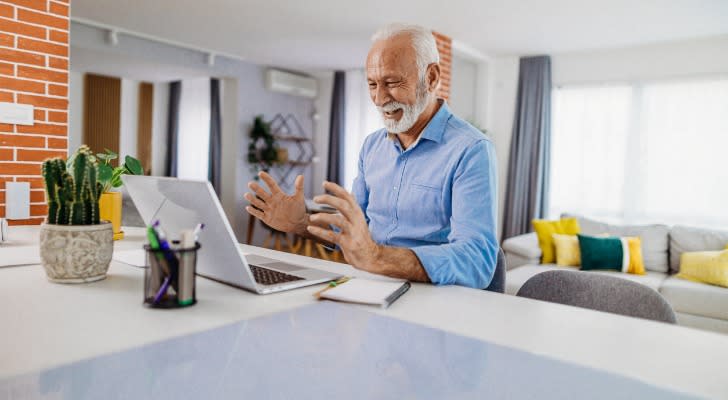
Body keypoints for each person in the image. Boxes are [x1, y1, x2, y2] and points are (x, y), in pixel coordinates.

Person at [245, 23, 498, 289]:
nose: (379, 98)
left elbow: (476, 261)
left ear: (432, 78)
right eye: (373, 84)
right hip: (369, 287)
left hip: (433, 298)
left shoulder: (471, 149)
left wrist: (377, 258)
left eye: (392, 82)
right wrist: (301, 223)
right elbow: (355, 235)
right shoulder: (372, 147)